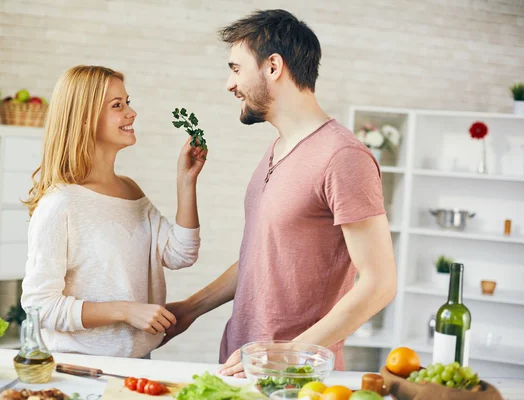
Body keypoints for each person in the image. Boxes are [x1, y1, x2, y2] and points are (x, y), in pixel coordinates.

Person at [162, 9, 397, 375]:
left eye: (236, 69)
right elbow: (265, 255)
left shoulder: (344, 157)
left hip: (295, 377)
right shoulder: (277, 149)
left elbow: (380, 284)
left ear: (273, 66)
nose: (229, 83)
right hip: (239, 363)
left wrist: (286, 354)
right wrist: (190, 308)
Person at [21, 65, 207, 358]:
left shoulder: (130, 190)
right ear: (84, 120)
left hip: (138, 362)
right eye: (117, 106)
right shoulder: (60, 204)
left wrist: (186, 181)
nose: (131, 113)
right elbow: (39, 305)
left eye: (127, 102)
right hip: (82, 369)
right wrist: (125, 311)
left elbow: (180, 254)